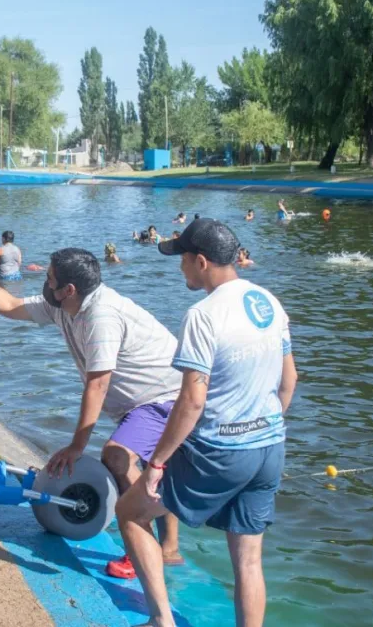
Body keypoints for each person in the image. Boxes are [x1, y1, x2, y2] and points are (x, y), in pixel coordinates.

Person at [0, 247, 185, 574]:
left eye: (50, 279)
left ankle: (143, 548)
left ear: (69, 289)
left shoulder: (100, 316)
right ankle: (168, 548)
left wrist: (77, 446)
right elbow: (11, 306)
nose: (45, 283)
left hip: (166, 395)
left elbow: (97, 385)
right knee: (155, 465)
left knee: (117, 456)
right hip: (145, 398)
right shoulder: (61, 305)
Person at [115, 218, 296, 627]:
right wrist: (262, 430)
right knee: (248, 560)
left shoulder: (202, 314)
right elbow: (289, 381)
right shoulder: (268, 302)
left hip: (219, 451)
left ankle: (161, 620)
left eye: (181, 259)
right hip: (270, 447)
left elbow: (192, 401)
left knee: (130, 511)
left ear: (201, 262)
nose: (179, 267)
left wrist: (157, 462)